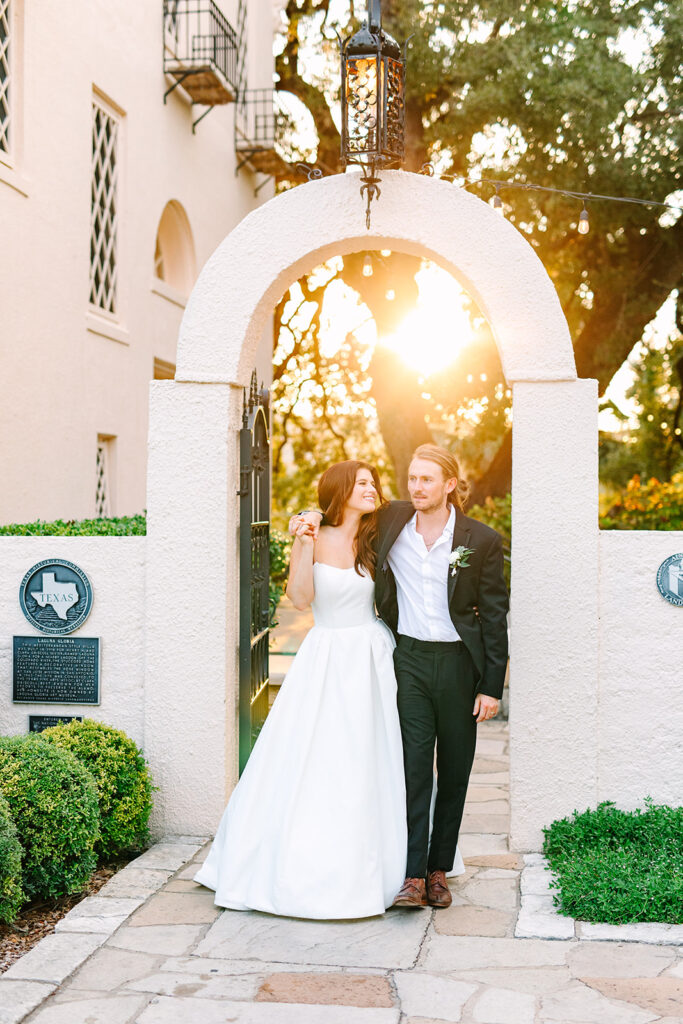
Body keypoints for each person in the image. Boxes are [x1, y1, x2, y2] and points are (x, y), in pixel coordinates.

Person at [294, 444, 509, 909]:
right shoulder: (391, 521)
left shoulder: (483, 540)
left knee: (454, 771)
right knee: (412, 767)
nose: (416, 487)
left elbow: (494, 617)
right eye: (412, 478)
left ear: (449, 484)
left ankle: (438, 870)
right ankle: (412, 875)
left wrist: (492, 685)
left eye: (427, 480)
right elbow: (340, 500)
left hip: (458, 665)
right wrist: (307, 516)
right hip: (406, 660)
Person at [194, 461, 408, 919]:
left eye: (374, 482)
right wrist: (302, 539)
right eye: (363, 483)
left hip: (371, 654)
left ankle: (386, 864)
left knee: (372, 753)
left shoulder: (380, 533)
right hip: (327, 655)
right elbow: (300, 598)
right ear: (341, 490)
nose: (373, 489)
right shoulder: (313, 533)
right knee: (316, 752)